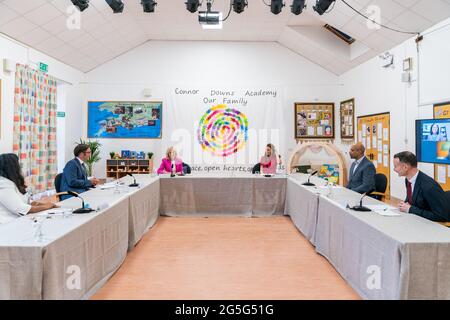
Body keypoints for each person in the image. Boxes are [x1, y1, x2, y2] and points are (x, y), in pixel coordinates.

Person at [0, 153, 58, 224]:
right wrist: (46, 207)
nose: (20, 167)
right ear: (12, 167)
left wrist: (44, 204)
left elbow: (26, 201)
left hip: (19, 220)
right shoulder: (3, 184)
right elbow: (20, 208)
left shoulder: (11, 181)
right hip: (8, 224)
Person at [394, 151, 449, 221]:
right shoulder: (408, 180)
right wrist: (404, 205)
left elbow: (440, 216)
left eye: (396, 166)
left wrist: (410, 209)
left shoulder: (429, 186)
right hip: (416, 220)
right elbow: (412, 202)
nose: (394, 169)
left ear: (405, 167)